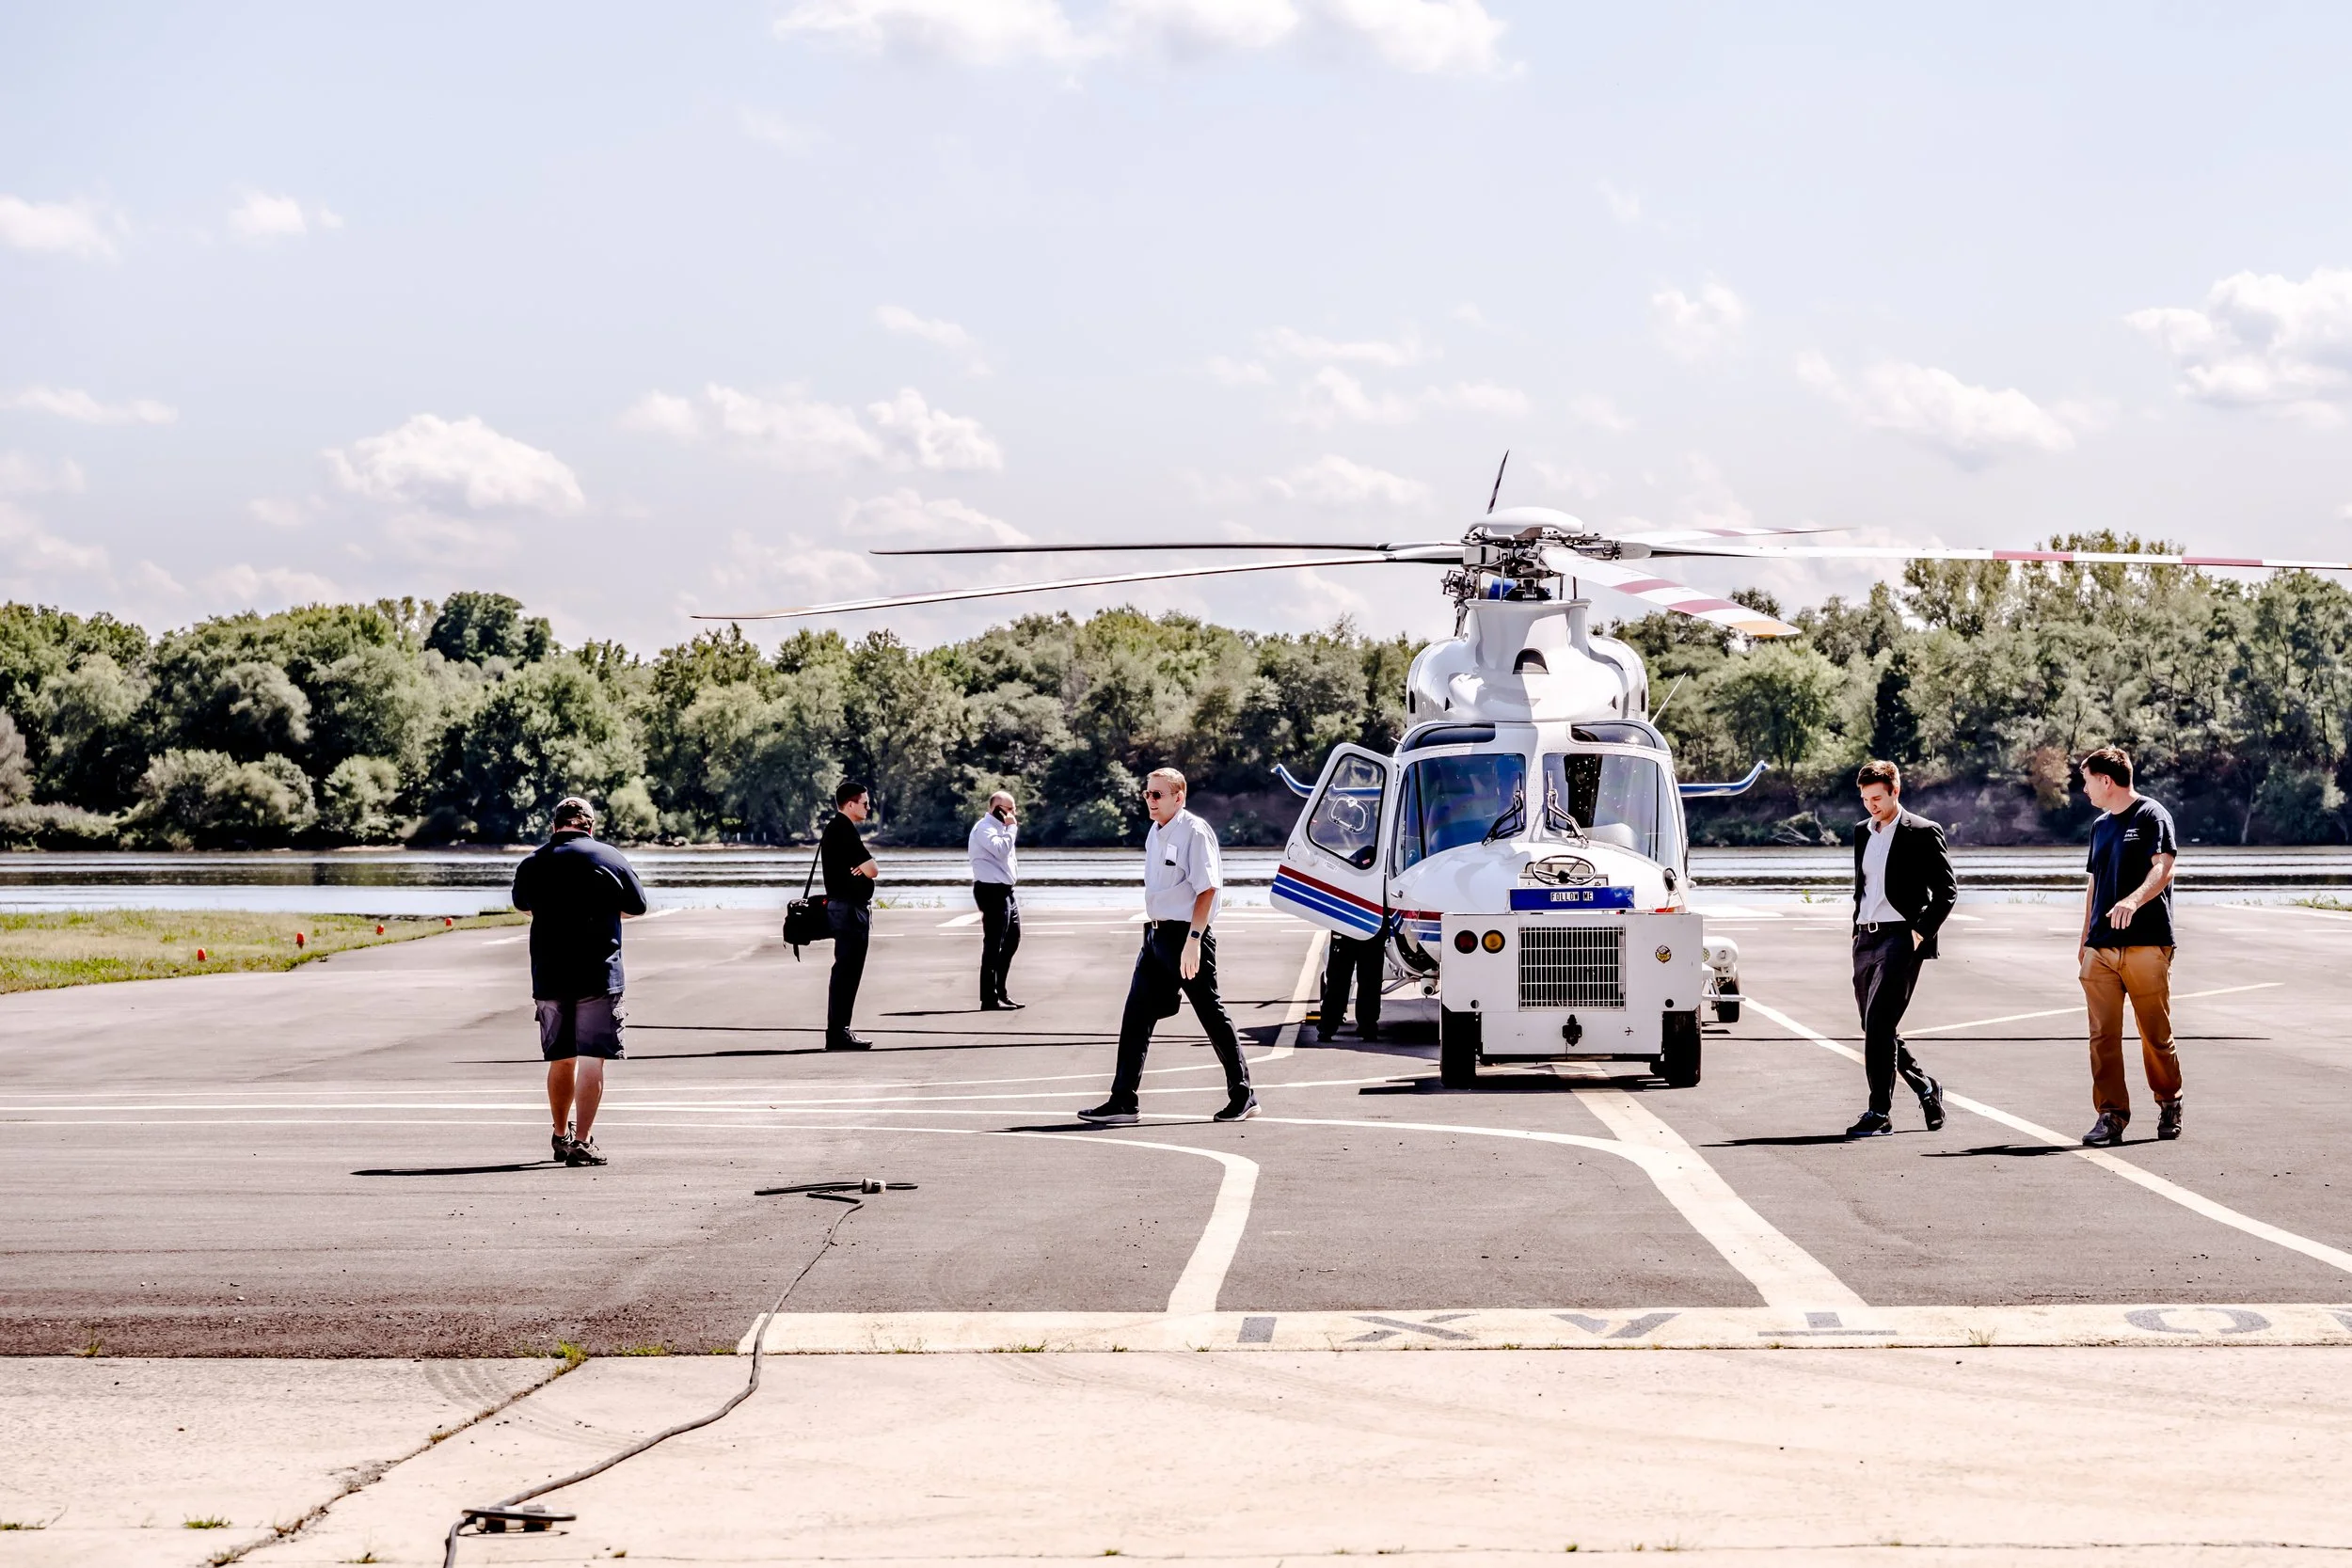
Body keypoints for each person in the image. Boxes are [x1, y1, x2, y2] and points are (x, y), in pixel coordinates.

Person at [1078, 768, 1256, 1125]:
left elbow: (1207, 888)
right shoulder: (1155, 833)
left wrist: (1194, 940)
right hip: (1156, 938)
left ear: (1180, 796)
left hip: (1187, 938)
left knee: (1211, 1015)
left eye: (1158, 794)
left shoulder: (1194, 831)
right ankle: (1123, 1102)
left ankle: (1243, 1095)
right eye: (1147, 794)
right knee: (1135, 1018)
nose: (1151, 800)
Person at [510, 797, 648, 1167]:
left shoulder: (534, 861)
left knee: (560, 1059)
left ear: (555, 825)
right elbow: (637, 907)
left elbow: (523, 905)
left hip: (550, 974)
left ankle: (559, 1134)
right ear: (590, 825)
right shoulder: (610, 857)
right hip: (598, 974)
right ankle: (583, 1141)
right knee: (592, 1061)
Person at [1844, 759, 1956, 1139]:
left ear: (1895, 791)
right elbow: (1863, 888)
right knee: (1874, 1026)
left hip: (1900, 938)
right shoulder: (1863, 832)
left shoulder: (1923, 832)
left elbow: (1947, 893)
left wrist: (1919, 935)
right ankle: (1926, 1087)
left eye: (1877, 797)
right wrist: (1856, 930)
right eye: (1865, 799)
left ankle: (1879, 1113)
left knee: (1878, 1024)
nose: (1871, 805)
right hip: (1866, 938)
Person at [2077, 746, 2182, 1147]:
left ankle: (2170, 1101)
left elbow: (2163, 867)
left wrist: (2133, 901)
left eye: (2087, 780)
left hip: (2145, 943)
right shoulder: (2100, 825)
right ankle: (2111, 1115)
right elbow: (2094, 882)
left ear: (2106, 780)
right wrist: (2085, 938)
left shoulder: (2152, 815)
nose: (2084, 789)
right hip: (2100, 947)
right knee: (2102, 1036)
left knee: (2154, 1033)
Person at [819, 779, 879, 1051]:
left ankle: (840, 1030)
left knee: (846, 970)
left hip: (844, 908)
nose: (868, 807)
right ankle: (839, 1033)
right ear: (851, 804)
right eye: (865, 803)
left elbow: (866, 869)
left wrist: (861, 869)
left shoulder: (837, 828)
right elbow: (873, 869)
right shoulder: (843, 829)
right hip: (848, 910)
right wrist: (862, 869)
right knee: (847, 971)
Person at [968, 790, 1023, 1010]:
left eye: (1013, 809)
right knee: (993, 944)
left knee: (1012, 941)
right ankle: (988, 998)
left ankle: (1001, 991)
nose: (1013, 813)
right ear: (996, 809)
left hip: (1005, 891)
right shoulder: (985, 828)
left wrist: (1008, 828)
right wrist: (1012, 828)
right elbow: (1000, 850)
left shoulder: (1001, 828)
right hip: (990, 891)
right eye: (1009, 809)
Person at [1317, 930, 1384, 1041]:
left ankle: (1328, 1028)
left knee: (1367, 981)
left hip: (1355, 927)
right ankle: (1367, 1028)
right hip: (1363, 928)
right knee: (1367, 982)